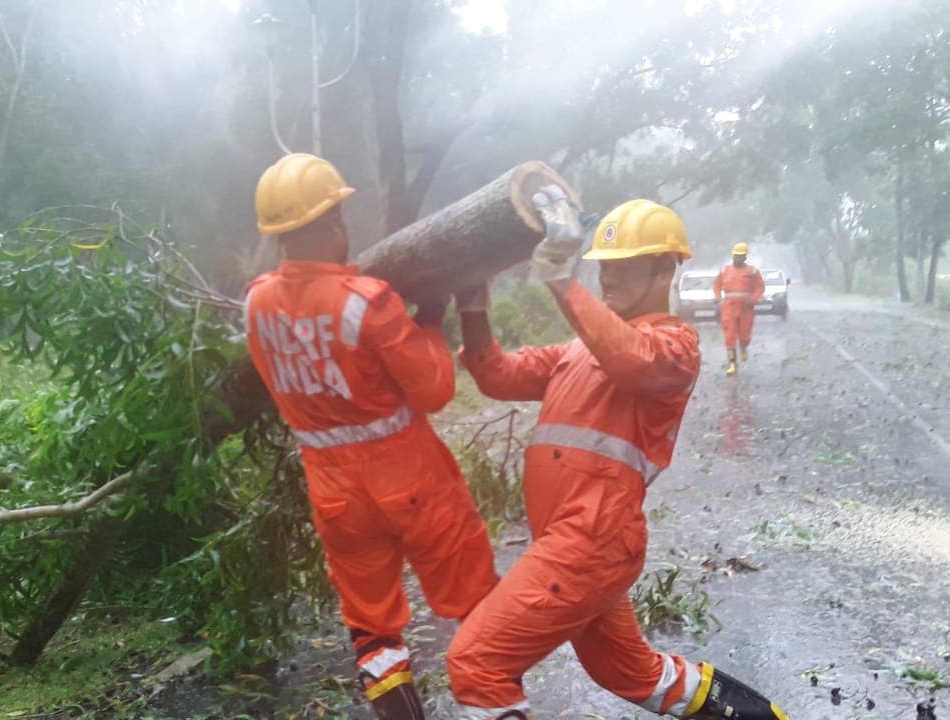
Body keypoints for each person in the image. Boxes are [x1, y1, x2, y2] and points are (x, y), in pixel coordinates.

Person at [446, 193, 788, 720]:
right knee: (630, 673)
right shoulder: (581, 349)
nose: (608, 278)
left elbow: (632, 361)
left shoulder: (675, 347)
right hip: (578, 541)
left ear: (665, 267)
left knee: (477, 662)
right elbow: (496, 375)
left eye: (624, 266)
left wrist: (562, 279)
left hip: (589, 540)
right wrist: (473, 305)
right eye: (603, 266)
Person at [244, 153, 499, 720]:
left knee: (371, 624)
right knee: (476, 600)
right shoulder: (366, 302)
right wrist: (430, 319)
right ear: (329, 222)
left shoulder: (256, 303)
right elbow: (433, 389)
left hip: (332, 490)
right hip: (409, 477)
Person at [712, 242, 765, 375]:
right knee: (729, 336)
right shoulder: (725, 270)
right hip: (729, 307)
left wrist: (753, 299)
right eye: (736, 256)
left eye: (740, 256)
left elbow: (760, 287)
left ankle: (744, 346)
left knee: (744, 334)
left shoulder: (752, 271)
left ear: (745, 257)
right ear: (732, 255)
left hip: (746, 308)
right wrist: (718, 296)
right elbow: (717, 286)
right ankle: (732, 364)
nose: (738, 258)